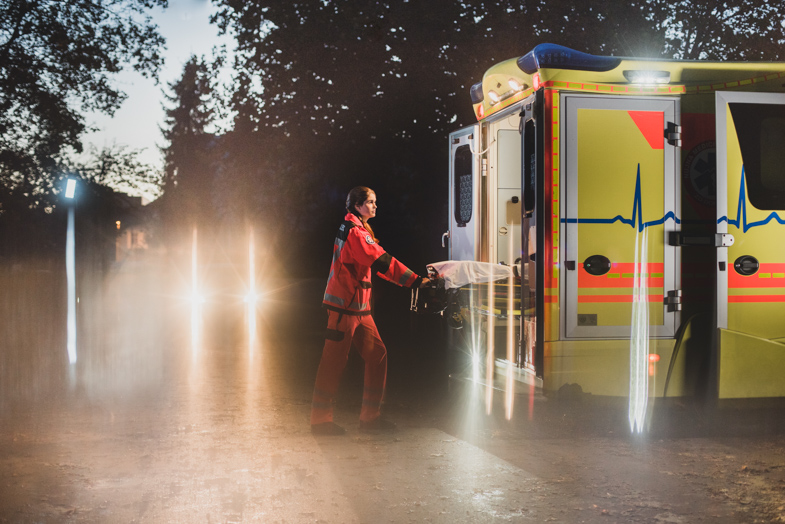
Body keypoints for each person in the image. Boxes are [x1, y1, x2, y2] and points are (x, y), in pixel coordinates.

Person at [310, 186, 430, 435]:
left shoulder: (358, 229)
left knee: (378, 356)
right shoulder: (355, 232)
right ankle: (320, 421)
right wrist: (416, 281)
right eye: (371, 202)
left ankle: (370, 419)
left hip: (358, 310)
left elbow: (376, 263)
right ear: (357, 205)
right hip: (344, 309)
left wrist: (412, 281)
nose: (376, 206)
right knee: (333, 363)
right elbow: (382, 261)